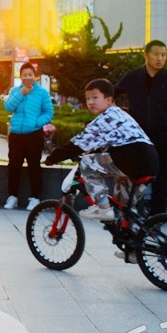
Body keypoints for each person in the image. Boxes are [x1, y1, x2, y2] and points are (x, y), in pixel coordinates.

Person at [45, 79, 158, 227]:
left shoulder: (107, 117)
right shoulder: (121, 114)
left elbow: (78, 143)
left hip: (132, 159)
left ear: (109, 99)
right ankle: (132, 239)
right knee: (123, 209)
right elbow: (106, 144)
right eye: (88, 98)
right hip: (149, 161)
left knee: (87, 163)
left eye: (95, 97)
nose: (90, 102)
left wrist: (53, 158)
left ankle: (103, 207)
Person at [115, 40, 167, 215]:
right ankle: (130, 215)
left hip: (164, 137)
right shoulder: (132, 77)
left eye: (163, 55)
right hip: (139, 137)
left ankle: (156, 219)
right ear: (146, 55)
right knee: (135, 176)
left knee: (162, 180)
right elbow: (112, 93)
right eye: (156, 54)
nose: (160, 58)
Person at [3, 62, 54, 211]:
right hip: (16, 135)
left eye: (30, 74)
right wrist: (21, 93)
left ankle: (35, 198)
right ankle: (12, 196)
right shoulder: (15, 91)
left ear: (35, 76)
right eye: (24, 75)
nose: (27, 77)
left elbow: (49, 112)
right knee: (14, 165)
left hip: (34, 134)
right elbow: (8, 107)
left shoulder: (42, 93)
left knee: (34, 166)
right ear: (20, 76)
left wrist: (36, 123)